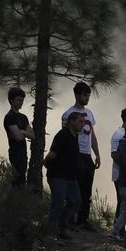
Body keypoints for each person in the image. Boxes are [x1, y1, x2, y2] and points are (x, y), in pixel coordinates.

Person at [61, 82, 100, 230]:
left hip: (87, 155)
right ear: (77, 95)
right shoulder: (68, 114)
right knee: (73, 188)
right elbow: (64, 136)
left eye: (88, 95)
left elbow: (93, 136)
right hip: (75, 154)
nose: (87, 98)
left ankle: (83, 220)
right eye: (85, 95)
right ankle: (69, 219)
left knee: (87, 190)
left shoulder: (89, 113)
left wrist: (97, 154)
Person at [44, 112, 84, 240]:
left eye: (82, 122)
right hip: (58, 176)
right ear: (71, 121)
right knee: (58, 203)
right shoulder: (62, 135)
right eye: (79, 121)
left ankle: (62, 227)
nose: (82, 124)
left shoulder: (75, 136)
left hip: (70, 177)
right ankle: (51, 232)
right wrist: (46, 163)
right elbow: (52, 154)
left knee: (76, 201)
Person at [3, 87, 34, 186]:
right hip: (15, 153)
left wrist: (22, 132)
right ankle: (14, 200)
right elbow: (18, 137)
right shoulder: (9, 117)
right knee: (17, 181)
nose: (21, 103)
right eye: (19, 100)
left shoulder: (23, 117)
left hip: (23, 153)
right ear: (11, 100)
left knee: (22, 180)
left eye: (22, 100)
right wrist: (24, 133)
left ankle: (19, 199)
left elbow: (33, 135)